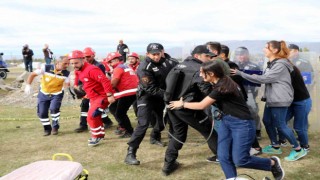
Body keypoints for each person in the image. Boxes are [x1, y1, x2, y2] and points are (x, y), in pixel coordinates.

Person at [169, 60, 285, 180]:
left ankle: (272, 163)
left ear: (212, 73)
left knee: (240, 160)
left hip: (242, 123)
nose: (200, 75)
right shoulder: (219, 82)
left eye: (202, 73)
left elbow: (202, 105)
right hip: (227, 121)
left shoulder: (222, 87)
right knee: (223, 156)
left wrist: (182, 104)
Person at [231, 40, 307, 161]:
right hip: (272, 98)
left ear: (275, 50)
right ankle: (275, 146)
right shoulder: (272, 63)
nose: (263, 49)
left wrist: (241, 73)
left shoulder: (280, 64)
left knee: (280, 125)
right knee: (267, 120)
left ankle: (298, 149)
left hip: (280, 98)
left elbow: (265, 79)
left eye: (266, 47)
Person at [161, 45, 219, 176]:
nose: (209, 59)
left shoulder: (179, 65)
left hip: (172, 106)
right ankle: (221, 156)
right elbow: (206, 90)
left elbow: (167, 84)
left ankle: (168, 165)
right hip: (187, 107)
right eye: (207, 56)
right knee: (208, 129)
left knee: (178, 135)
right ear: (197, 56)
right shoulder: (198, 69)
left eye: (210, 56)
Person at [124, 43, 179, 165]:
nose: (156, 57)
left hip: (161, 97)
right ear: (147, 54)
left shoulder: (169, 62)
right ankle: (130, 153)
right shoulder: (144, 67)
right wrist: (170, 96)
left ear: (162, 52)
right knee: (143, 124)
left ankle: (154, 137)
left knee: (161, 122)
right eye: (153, 54)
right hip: (146, 97)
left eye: (158, 54)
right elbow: (151, 89)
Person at [68, 50, 115, 147]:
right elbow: (87, 83)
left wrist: (109, 95)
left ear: (83, 60)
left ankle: (96, 136)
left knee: (91, 116)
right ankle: (100, 135)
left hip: (102, 97)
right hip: (93, 97)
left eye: (76, 63)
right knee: (95, 116)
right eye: (72, 63)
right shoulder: (79, 70)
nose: (74, 65)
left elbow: (105, 81)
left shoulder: (92, 69)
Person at [24, 56, 70, 136]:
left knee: (54, 109)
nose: (67, 65)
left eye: (68, 64)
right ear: (57, 63)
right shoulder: (45, 68)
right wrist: (28, 85)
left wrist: (68, 91)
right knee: (42, 113)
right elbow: (32, 74)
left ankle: (55, 127)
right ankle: (47, 129)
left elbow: (67, 84)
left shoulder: (67, 73)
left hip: (57, 94)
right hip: (44, 93)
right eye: (65, 63)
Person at [105, 52, 138, 138]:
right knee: (112, 107)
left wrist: (107, 90)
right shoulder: (125, 66)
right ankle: (123, 125)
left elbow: (114, 82)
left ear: (115, 60)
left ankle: (129, 130)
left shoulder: (118, 68)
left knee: (120, 113)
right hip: (131, 92)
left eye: (110, 62)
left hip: (126, 93)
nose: (109, 64)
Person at [233, 47, 263, 140]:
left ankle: (257, 130)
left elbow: (258, 81)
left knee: (253, 111)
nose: (240, 57)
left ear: (247, 54)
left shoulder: (254, 66)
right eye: (238, 54)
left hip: (250, 92)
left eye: (242, 54)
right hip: (236, 92)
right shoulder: (233, 65)